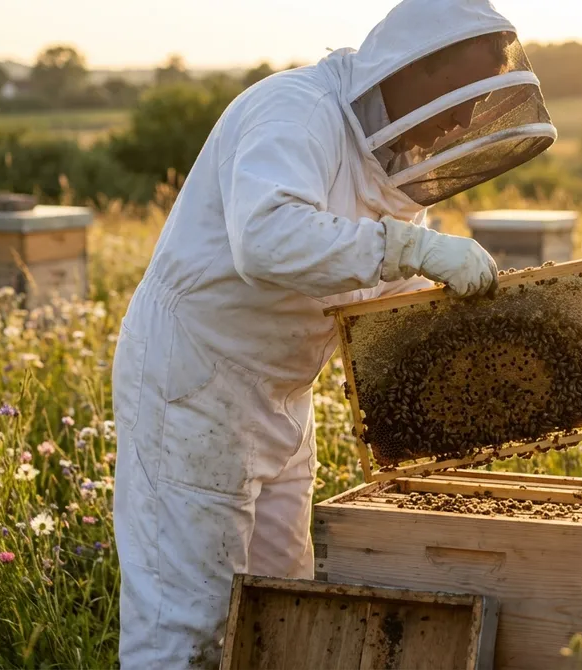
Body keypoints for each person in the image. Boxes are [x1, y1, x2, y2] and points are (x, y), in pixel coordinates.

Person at [110, 0, 556, 665]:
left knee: (281, 601)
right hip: (197, 385)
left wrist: (485, 325)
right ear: (415, 69)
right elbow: (265, 240)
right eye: (462, 97)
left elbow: (371, 278)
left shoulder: (390, 155)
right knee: (190, 621)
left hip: (282, 393)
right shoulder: (294, 114)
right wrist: (413, 249)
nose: (465, 121)